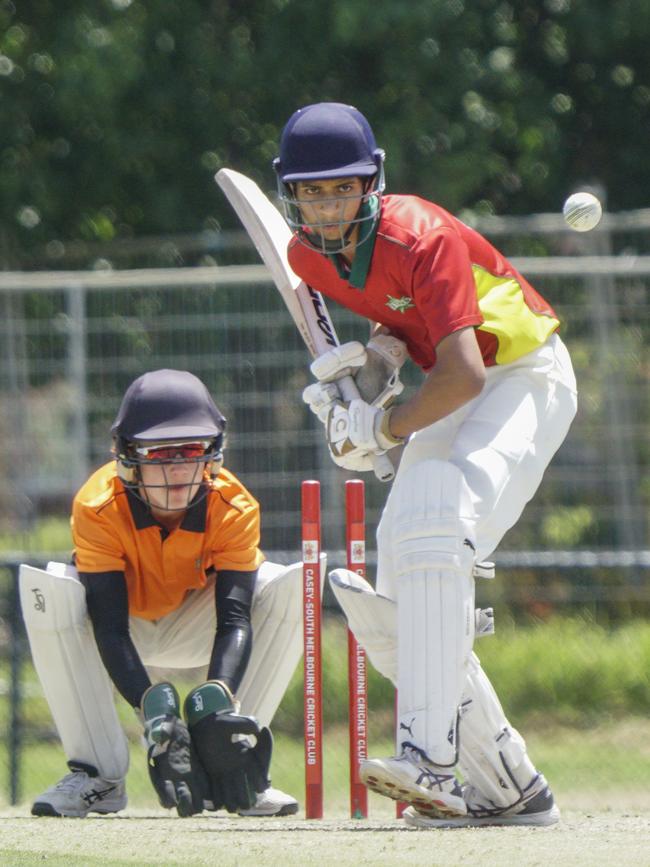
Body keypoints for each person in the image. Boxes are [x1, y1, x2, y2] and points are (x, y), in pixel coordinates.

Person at [273, 102, 578, 828]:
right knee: (399, 581)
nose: (327, 204)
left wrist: (378, 427)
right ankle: (508, 784)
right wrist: (375, 365)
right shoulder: (306, 258)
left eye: (341, 187)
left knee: (438, 518)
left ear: (371, 181)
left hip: (522, 373)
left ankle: (429, 760)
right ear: (292, 194)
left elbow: (466, 372)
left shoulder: (423, 233)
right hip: (451, 381)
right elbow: (403, 315)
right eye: (312, 192)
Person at [20, 369, 305, 818]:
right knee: (51, 587)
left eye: (190, 450)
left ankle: (238, 754)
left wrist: (216, 700)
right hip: (119, 630)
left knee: (287, 584)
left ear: (211, 456)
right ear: (127, 458)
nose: (176, 468)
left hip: (197, 624)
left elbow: (234, 619)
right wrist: (151, 710)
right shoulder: (97, 505)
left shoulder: (234, 506)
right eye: (159, 452)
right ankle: (97, 775)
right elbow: (110, 628)